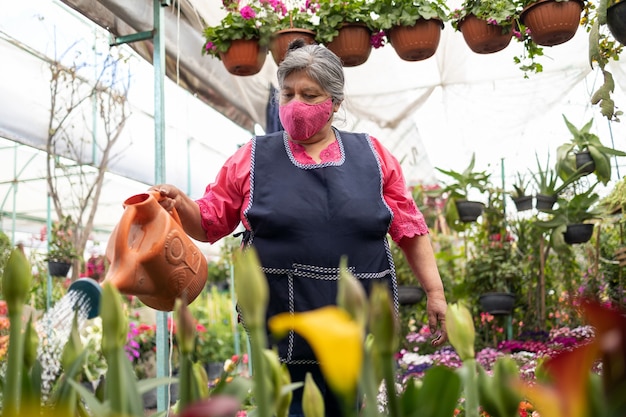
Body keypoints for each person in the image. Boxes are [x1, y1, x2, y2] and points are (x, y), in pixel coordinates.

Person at [150, 39, 448, 417]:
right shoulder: (252, 157)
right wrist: (181, 204)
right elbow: (210, 221)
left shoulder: (373, 155)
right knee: (289, 408)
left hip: (354, 318)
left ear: (335, 102)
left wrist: (435, 291)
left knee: (347, 407)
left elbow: (409, 226)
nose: (295, 105)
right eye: (287, 94)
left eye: (310, 95)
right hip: (279, 320)